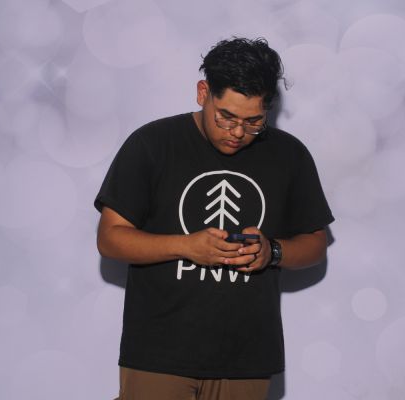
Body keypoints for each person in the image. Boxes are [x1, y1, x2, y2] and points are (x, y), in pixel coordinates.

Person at [94, 37, 334, 400]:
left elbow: (315, 244)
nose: (238, 132)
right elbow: (110, 238)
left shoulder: (290, 156)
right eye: (227, 117)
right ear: (203, 93)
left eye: (254, 122)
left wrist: (272, 252)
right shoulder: (152, 144)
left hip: (248, 358)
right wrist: (186, 247)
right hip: (158, 354)